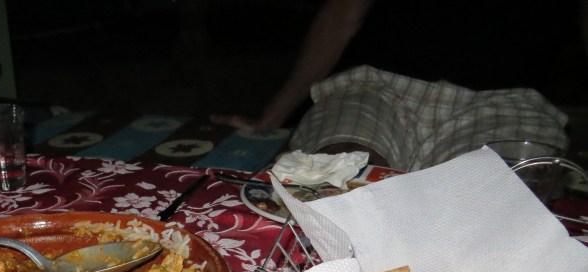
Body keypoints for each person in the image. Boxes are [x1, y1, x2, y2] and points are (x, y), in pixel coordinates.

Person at [211, 0, 584, 171]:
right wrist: (274, 114)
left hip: (509, 101)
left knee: (495, 200)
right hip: (377, 87)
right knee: (339, 170)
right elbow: (343, 13)